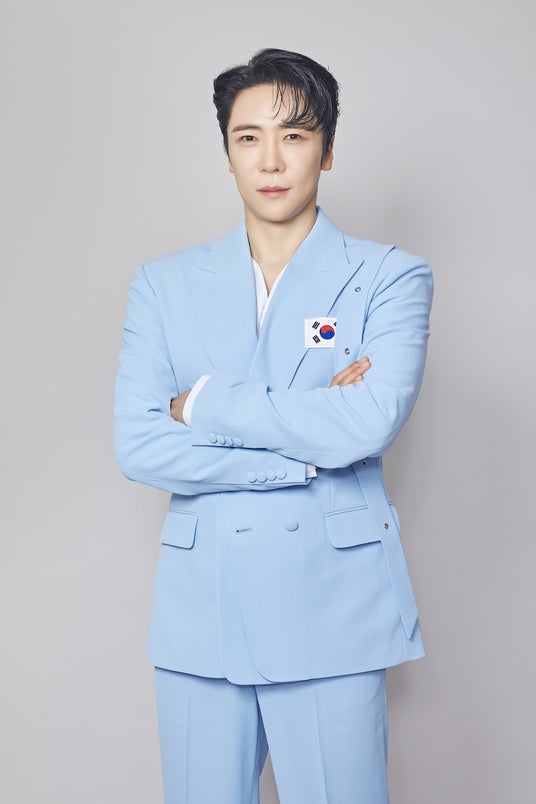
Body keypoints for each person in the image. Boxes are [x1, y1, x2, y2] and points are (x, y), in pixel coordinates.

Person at [114, 47, 433, 804]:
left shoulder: (389, 275)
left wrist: (201, 404)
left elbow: (367, 423)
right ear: (226, 152)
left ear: (329, 148)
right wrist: (307, 445)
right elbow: (139, 444)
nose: (271, 160)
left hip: (334, 604)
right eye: (248, 137)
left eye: (294, 135)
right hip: (202, 607)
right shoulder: (163, 285)